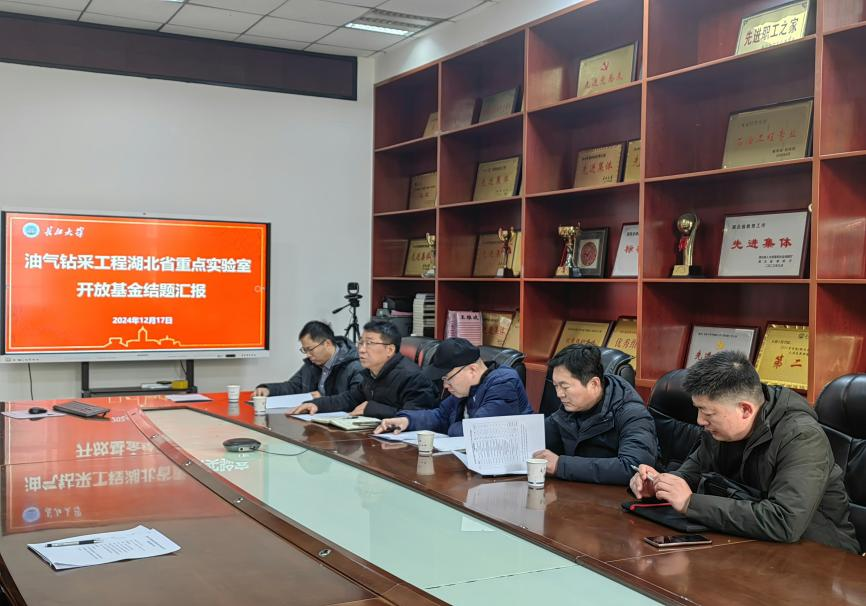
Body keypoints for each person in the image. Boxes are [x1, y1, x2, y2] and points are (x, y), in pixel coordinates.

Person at [629, 351, 860, 553]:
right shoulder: (720, 430)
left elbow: (784, 521)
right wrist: (659, 485)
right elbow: (691, 474)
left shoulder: (801, 437)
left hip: (820, 556)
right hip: (749, 544)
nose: (700, 421)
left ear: (745, 410)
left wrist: (691, 502)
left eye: (708, 413)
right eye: (698, 410)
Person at [533, 344, 657, 485]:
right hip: (577, 491)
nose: (559, 394)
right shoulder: (571, 408)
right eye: (556, 386)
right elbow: (540, 436)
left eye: (565, 387)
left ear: (594, 384)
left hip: (614, 496)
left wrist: (560, 465)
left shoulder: (632, 413)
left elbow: (634, 467)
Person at [373, 338, 532, 437]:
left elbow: (479, 430)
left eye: (448, 378)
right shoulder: (464, 390)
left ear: (472, 370)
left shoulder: (504, 382)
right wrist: (406, 420)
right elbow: (440, 416)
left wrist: (451, 427)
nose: (445, 385)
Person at [291, 319, 438, 418]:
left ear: (390, 350)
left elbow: (416, 417)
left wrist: (372, 408)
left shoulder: (412, 377)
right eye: (361, 343)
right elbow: (349, 399)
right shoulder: (372, 374)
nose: (361, 349)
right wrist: (316, 404)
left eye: (369, 343)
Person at [254, 321, 363, 399]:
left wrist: (323, 400)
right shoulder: (311, 364)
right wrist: (269, 389)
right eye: (305, 350)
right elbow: (294, 386)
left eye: (310, 349)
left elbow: (354, 400)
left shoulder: (355, 366)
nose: (308, 355)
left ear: (327, 343)